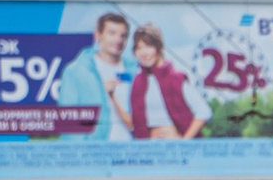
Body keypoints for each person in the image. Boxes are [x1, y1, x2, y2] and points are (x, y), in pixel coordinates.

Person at [55, 11, 132, 141]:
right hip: (96, 153)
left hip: (133, 152)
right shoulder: (76, 71)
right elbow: (68, 120)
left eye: (123, 35)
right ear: (98, 35)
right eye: (112, 33)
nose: (118, 39)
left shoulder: (134, 70)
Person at [127, 23, 207, 141]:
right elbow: (134, 123)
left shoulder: (176, 78)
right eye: (139, 48)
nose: (143, 52)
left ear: (158, 48)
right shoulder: (138, 82)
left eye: (148, 46)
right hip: (148, 151)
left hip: (176, 150)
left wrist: (185, 141)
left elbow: (204, 112)